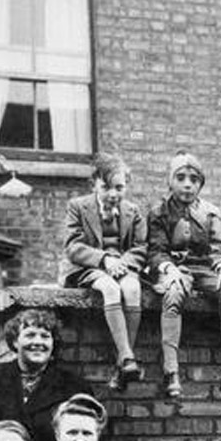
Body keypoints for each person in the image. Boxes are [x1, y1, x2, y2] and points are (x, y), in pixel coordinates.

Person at [143, 149, 221, 399]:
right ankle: (171, 372)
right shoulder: (159, 212)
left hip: (205, 269)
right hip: (175, 269)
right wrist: (168, 269)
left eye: (194, 179)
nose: (187, 185)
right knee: (173, 293)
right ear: (170, 180)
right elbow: (155, 251)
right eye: (180, 178)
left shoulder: (211, 213)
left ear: (201, 183)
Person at [58, 152, 147, 389]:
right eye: (106, 187)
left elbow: (141, 247)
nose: (113, 194)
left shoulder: (133, 211)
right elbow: (73, 247)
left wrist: (123, 262)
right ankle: (126, 356)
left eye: (119, 188)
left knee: (133, 288)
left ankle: (124, 364)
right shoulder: (78, 207)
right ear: (95, 184)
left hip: (123, 267)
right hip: (88, 267)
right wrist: (105, 259)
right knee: (110, 288)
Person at [0, 309, 93, 441]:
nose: (38, 342)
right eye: (30, 335)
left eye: (45, 336)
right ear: (15, 341)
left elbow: (91, 433)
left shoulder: (73, 386)